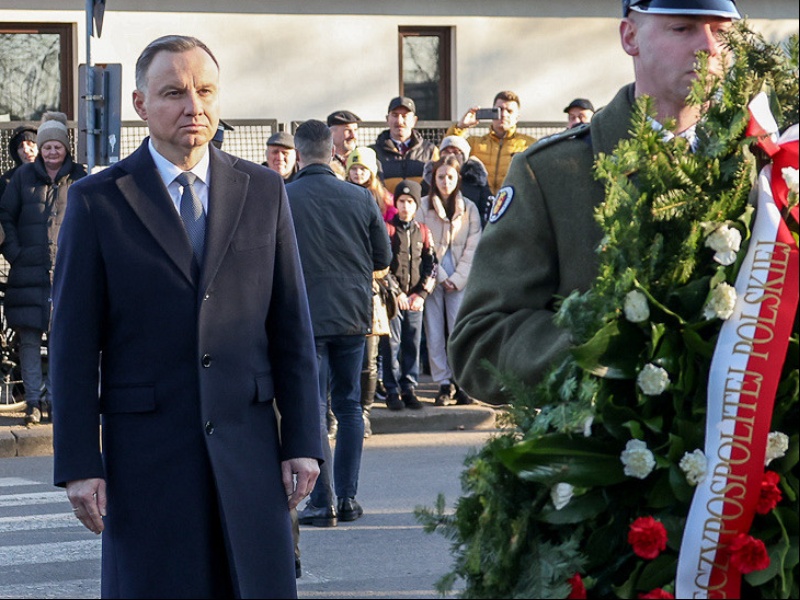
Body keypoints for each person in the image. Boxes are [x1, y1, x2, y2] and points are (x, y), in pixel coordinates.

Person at [49, 35, 323, 598]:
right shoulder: (99, 201)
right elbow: (73, 345)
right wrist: (79, 461)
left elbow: (291, 328)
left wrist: (304, 439)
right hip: (147, 460)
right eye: (173, 92)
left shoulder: (264, 190)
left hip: (249, 455)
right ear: (140, 104)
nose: (192, 106)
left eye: (204, 91)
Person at [449, 0, 743, 405]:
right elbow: (479, 343)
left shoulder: (760, 165)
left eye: (723, 33)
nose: (709, 48)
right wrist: (606, 347)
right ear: (630, 37)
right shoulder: (553, 172)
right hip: (605, 450)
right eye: (684, 29)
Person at [286, 120, 391, 528]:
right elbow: (381, 258)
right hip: (352, 314)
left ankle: (321, 502)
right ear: (333, 152)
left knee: (314, 408)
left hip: (305, 315)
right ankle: (348, 499)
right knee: (349, 406)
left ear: (298, 154)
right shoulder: (360, 198)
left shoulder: (284, 196)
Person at [0, 112, 86, 426]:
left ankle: (55, 401)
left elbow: (91, 221)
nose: (51, 152)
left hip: (66, 274)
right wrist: (16, 254)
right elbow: (5, 216)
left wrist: (79, 257)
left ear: (66, 148)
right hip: (27, 273)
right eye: (46, 146)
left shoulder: (80, 179)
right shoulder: (21, 179)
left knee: (62, 341)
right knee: (29, 341)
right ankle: (33, 403)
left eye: (56, 146)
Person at [416, 155, 481, 406]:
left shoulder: (470, 208)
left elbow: (474, 245)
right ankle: (443, 382)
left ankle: (461, 380)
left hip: (460, 273)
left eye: (450, 177)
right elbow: (422, 243)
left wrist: (457, 278)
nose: (445, 182)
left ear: (458, 179)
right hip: (431, 271)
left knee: (458, 327)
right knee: (434, 330)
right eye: (440, 176)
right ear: (434, 178)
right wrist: (440, 276)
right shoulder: (423, 206)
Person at [381, 180, 437, 410]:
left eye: (410, 202)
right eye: (402, 201)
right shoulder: (387, 230)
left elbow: (431, 264)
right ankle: (392, 390)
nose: (405, 206)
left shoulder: (423, 231)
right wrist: (396, 293)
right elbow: (382, 265)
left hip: (415, 301)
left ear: (416, 205)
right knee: (391, 345)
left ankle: (409, 388)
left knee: (412, 344)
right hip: (394, 301)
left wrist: (421, 294)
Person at [445, 90, 537, 195]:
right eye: (499, 109)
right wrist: (461, 127)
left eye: (509, 111)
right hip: (479, 205)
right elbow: (447, 155)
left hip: (513, 204)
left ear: (517, 118)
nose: (503, 114)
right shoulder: (474, 143)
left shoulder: (528, 145)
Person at [422, 135, 493, 228]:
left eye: (456, 152)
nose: (451, 156)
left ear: (465, 156)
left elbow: (486, 212)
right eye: (446, 152)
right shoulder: (430, 180)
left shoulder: (477, 181)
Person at [371, 96, 439, 192]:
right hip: (384, 206)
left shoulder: (430, 151)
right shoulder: (372, 153)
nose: (399, 121)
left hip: (422, 206)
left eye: (404, 116)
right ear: (387, 119)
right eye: (395, 115)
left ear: (414, 120)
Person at [346, 146, 396, 221]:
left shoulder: (385, 198)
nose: (358, 172)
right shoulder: (342, 194)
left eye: (363, 169)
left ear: (371, 172)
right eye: (353, 168)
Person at [0, 125, 38, 202]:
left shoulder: (54, 175)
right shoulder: (7, 181)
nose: (26, 150)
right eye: (21, 146)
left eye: (30, 143)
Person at [328, 109, 361, 179]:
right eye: (348, 131)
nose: (353, 136)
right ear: (331, 133)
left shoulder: (365, 159)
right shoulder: (324, 161)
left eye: (355, 130)